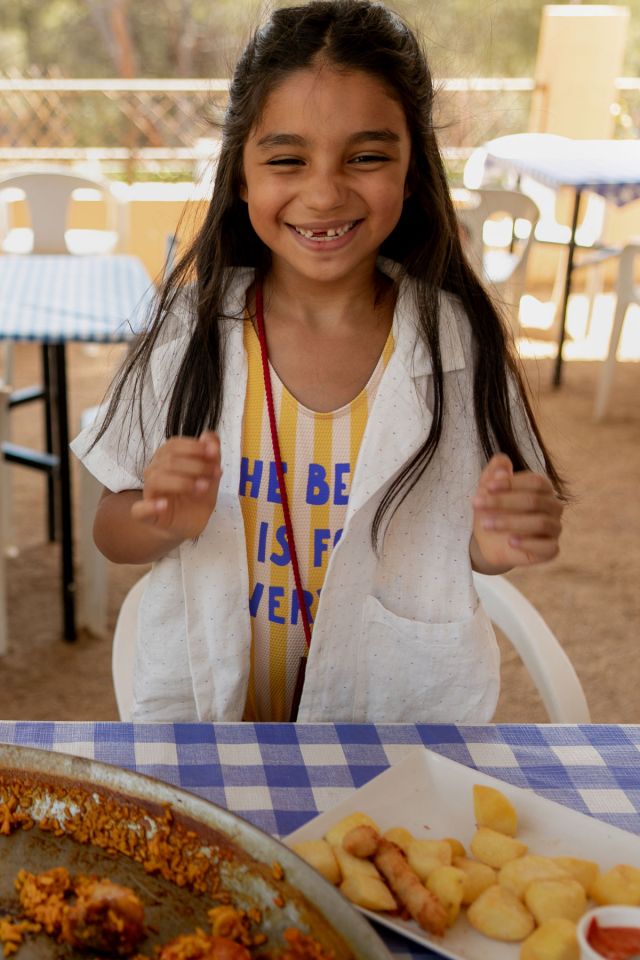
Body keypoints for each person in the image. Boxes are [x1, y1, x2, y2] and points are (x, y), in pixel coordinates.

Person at [72, 0, 565, 725]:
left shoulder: (460, 342)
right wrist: (161, 518)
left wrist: (498, 543)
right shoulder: (185, 334)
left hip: (392, 738)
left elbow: (478, 542)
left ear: (413, 170)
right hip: (217, 736)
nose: (326, 191)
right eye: (286, 160)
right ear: (241, 176)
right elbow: (111, 531)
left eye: (367, 157)